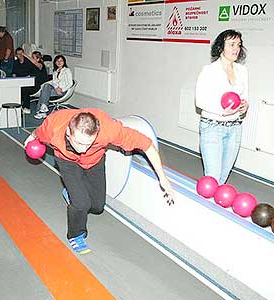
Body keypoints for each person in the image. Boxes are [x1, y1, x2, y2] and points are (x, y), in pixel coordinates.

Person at [25, 108, 174, 254]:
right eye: (79, 143)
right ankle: (76, 235)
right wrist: (31, 137)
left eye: (89, 143)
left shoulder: (109, 129)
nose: (83, 149)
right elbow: (38, 132)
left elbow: (146, 145)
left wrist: (163, 178)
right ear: (69, 133)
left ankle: (72, 195)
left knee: (97, 206)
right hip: (67, 162)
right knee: (81, 203)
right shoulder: (54, 125)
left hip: (95, 161)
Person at [196, 29, 249, 184]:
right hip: (212, 127)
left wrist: (245, 105)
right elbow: (200, 100)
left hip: (235, 128)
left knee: (223, 177)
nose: (236, 48)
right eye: (231, 44)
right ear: (221, 47)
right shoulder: (209, 71)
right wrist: (222, 111)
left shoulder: (242, 71)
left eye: (238, 45)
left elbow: (243, 97)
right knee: (212, 178)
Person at [33, 55, 73, 120]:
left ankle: (41, 111)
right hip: (56, 90)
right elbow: (54, 82)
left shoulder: (67, 70)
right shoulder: (55, 71)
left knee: (44, 92)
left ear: (64, 62)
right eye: (57, 61)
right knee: (46, 87)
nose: (59, 62)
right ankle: (43, 109)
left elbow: (70, 83)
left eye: (61, 61)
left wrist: (62, 89)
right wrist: (56, 88)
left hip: (63, 91)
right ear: (55, 62)